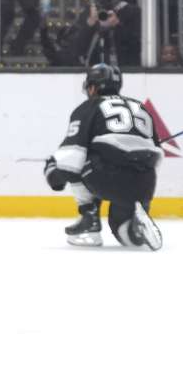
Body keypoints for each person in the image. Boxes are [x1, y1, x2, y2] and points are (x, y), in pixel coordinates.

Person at [43, 64, 164, 251]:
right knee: (125, 234)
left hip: (109, 178)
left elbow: (71, 159)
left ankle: (89, 220)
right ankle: (136, 223)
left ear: (93, 87)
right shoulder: (140, 107)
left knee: (75, 158)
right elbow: (156, 151)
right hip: (145, 184)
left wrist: (53, 173)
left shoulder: (88, 107)